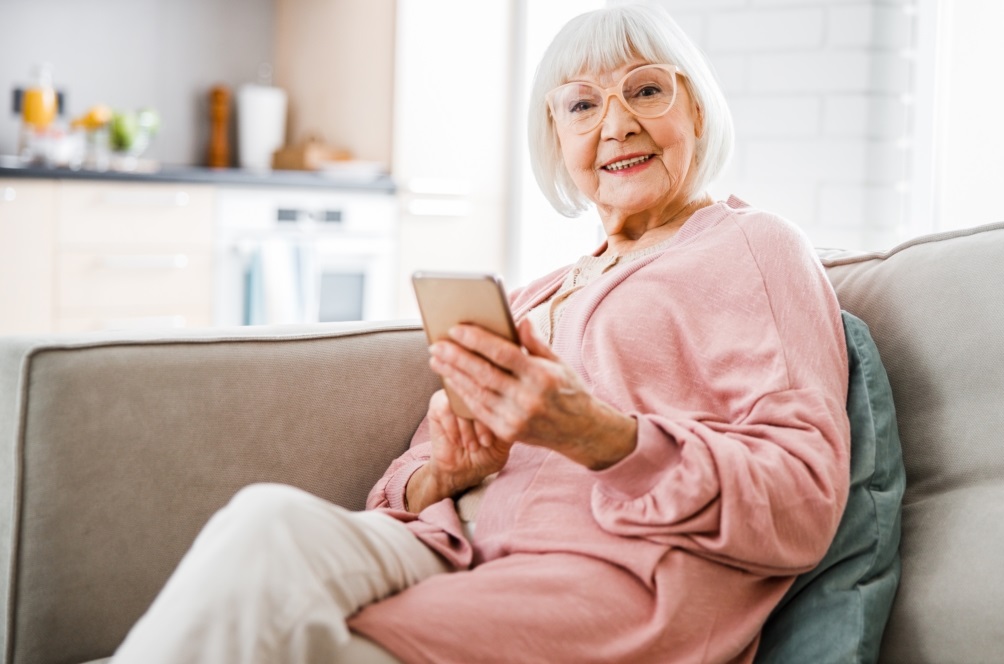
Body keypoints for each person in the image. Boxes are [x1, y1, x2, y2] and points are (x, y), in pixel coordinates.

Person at [113, 4, 850, 663]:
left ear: (696, 108)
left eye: (646, 90)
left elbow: (803, 501)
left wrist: (602, 437)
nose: (617, 123)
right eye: (582, 105)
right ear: (556, 136)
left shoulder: (753, 247)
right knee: (266, 522)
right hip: (453, 545)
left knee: (317, 642)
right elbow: (400, 487)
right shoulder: (532, 296)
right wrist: (447, 473)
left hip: (610, 577)